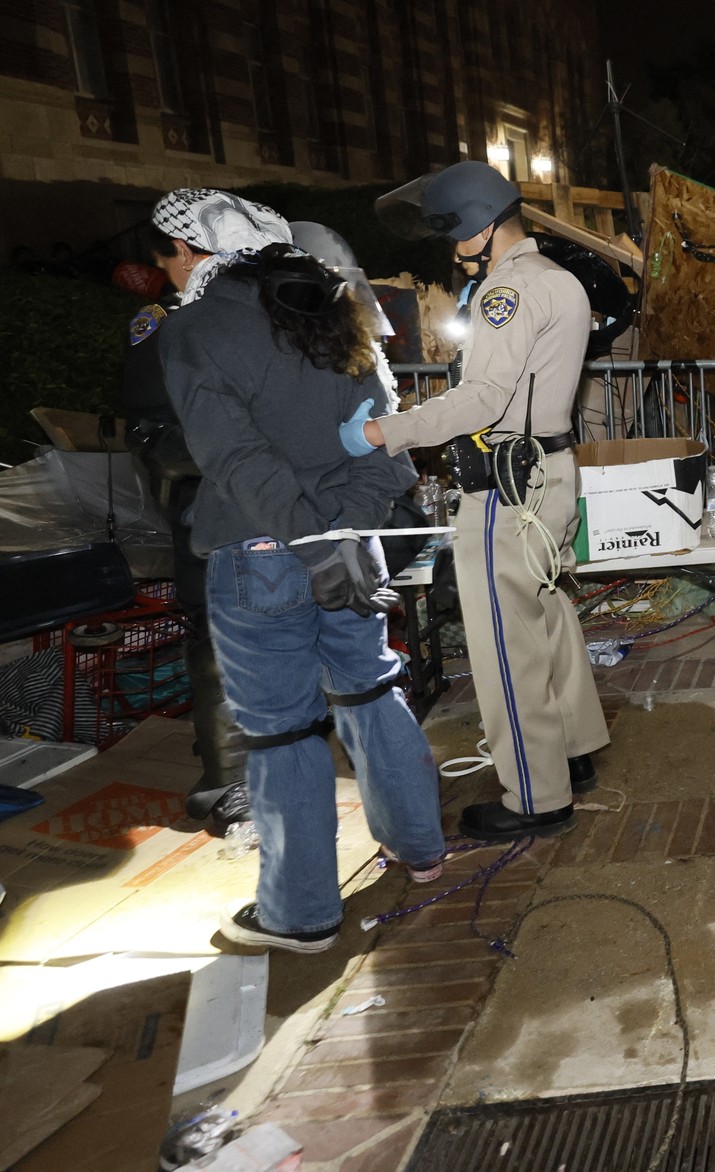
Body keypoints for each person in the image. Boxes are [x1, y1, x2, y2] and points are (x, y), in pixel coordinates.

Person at [152, 189, 446, 953]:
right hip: (353, 543)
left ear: (190, 252)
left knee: (281, 735)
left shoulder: (195, 328)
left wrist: (311, 541)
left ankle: (301, 914)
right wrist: (340, 531)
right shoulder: (333, 304)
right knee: (373, 688)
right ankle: (420, 850)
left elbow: (237, 460)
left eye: (166, 258)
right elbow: (389, 439)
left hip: (263, 554)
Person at [347, 160, 610, 840]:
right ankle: (574, 751)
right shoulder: (557, 278)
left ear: (480, 227)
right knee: (549, 618)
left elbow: (484, 399)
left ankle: (535, 794)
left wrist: (384, 430)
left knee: (505, 645)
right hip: (547, 473)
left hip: (505, 485)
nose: (451, 251)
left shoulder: (507, 291)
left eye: (453, 235)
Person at [120, 212, 255, 837]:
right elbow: (152, 433)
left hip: (265, 505)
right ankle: (227, 782)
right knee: (217, 648)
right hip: (207, 507)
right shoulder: (162, 327)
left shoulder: (250, 314)